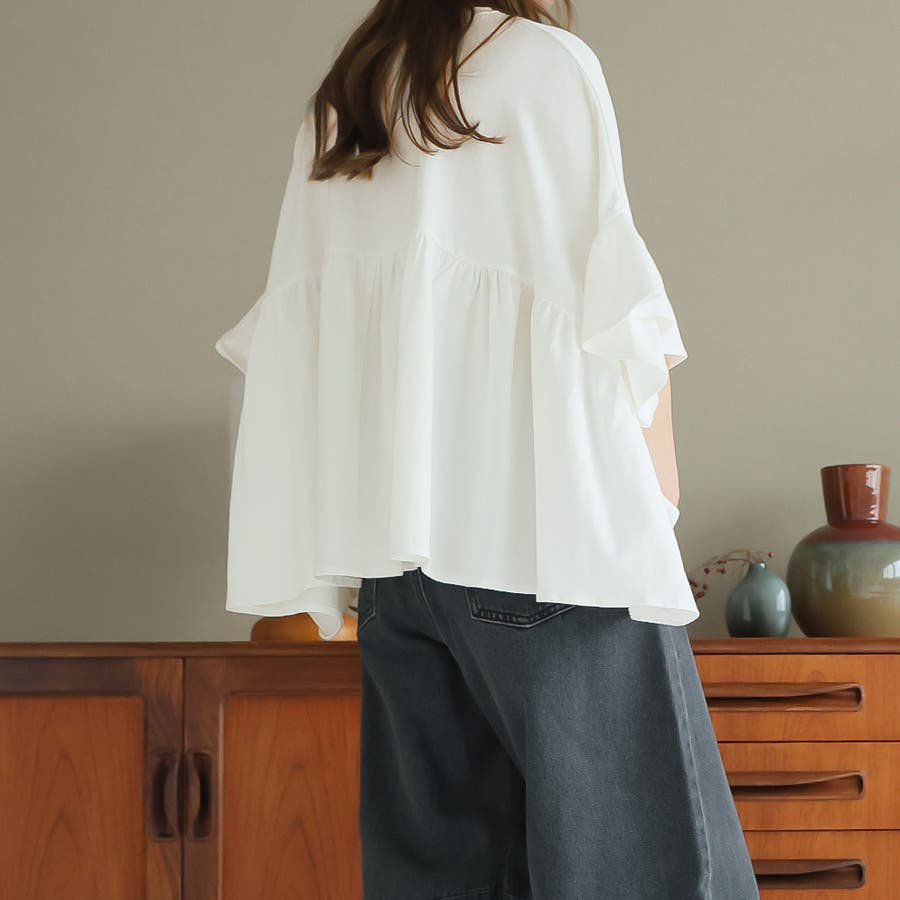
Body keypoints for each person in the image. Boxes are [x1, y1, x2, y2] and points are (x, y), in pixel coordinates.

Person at [214, 2, 760, 897]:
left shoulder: (348, 96)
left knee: (444, 875)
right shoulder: (543, 63)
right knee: (643, 872)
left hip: (398, 570)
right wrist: (653, 504)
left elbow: (307, 329)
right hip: (548, 545)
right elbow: (608, 294)